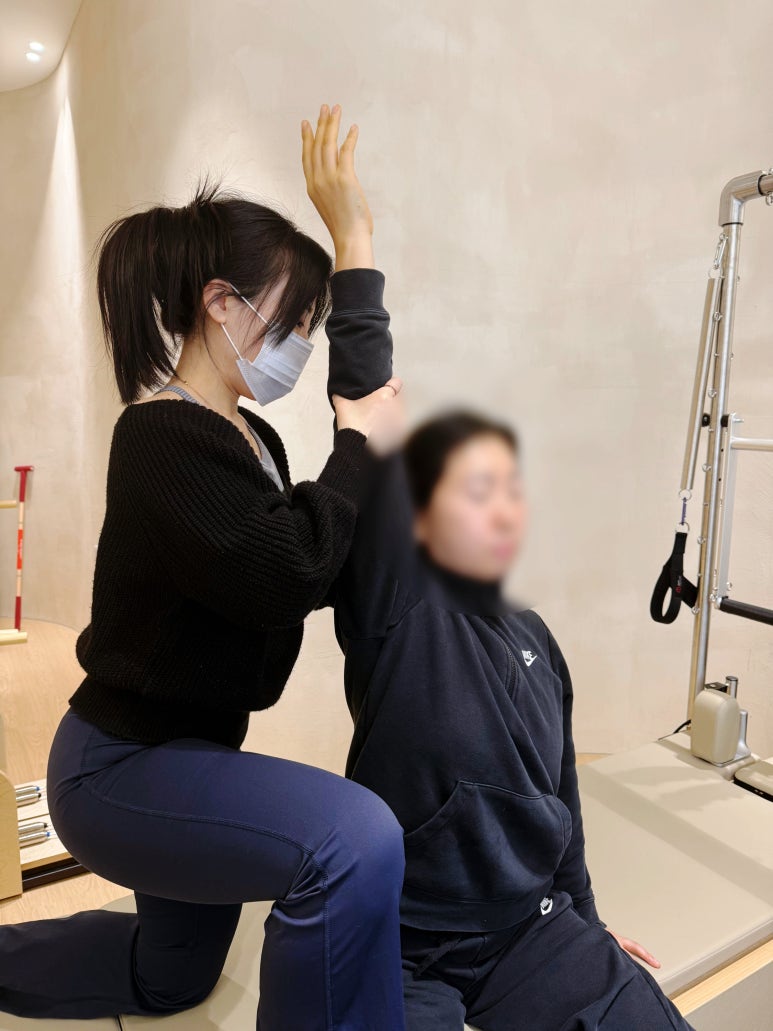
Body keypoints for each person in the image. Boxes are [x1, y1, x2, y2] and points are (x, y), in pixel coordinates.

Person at [0, 104, 408, 1031]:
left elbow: (318, 551)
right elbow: (285, 569)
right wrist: (353, 440)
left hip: (192, 751)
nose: (300, 343)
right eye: (293, 320)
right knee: (353, 840)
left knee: (172, 978)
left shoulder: (253, 438)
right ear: (222, 304)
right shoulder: (158, 436)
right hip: (117, 767)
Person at [321, 262, 698, 1029]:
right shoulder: (399, 599)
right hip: (398, 934)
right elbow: (365, 409)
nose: (499, 510)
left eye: (510, 491)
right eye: (474, 490)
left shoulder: (537, 641)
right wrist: (354, 248)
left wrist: (586, 925)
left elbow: (562, 800)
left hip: (525, 929)